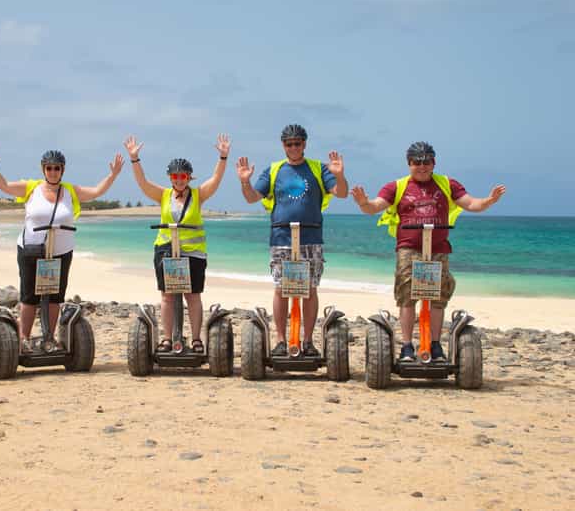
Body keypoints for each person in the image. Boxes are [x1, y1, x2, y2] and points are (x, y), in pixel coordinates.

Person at [351, 141, 506, 362]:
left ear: (434, 163)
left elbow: (471, 203)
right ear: (409, 164)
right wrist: (363, 202)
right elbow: (374, 207)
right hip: (409, 248)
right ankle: (406, 347)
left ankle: (434, 345)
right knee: (407, 296)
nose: (422, 166)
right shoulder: (397, 186)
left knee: (438, 297)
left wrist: (489, 201)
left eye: (427, 162)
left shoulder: (447, 184)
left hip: (438, 248)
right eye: (417, 162)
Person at [0, 144, 123, 352]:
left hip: (60, 251)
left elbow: (95, 192)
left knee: (54, 296)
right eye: (49, 168)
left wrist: (112, 175)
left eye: (57, 168)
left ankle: (49, 338)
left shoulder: (70, 191)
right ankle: (24, 339)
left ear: (62, 170)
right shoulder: (32, 188)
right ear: (43, 169)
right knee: (29, 296)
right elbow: (4, 186)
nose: (53, 172)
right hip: (31, 249)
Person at [236, 124, 348, 356]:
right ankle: (280, 340)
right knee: (281, 289)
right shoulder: (274, 170)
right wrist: (245, 181)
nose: (294, 147)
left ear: (304, 144)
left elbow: (342, 192)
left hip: (311, 236)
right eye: (289, 144)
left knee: (309, 289)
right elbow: (251, 198)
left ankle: (307, 341)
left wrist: (339, 175)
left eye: (298, 143)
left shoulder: (318, 168)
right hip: (281, 237)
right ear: (283, 146)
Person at [123, 134, 229, 353]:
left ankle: (197, 339)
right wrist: (134, 159)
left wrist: (223, 157)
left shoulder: (199, 195)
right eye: (175, 176)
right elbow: (143, 183)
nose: (179, 179)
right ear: (170, 177)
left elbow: (215, 180)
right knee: (168, 295)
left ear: (189, 177)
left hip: (193, 254)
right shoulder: (163, 195)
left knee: (193, 296)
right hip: (166, 252)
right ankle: (168, 339)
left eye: (183, 176)